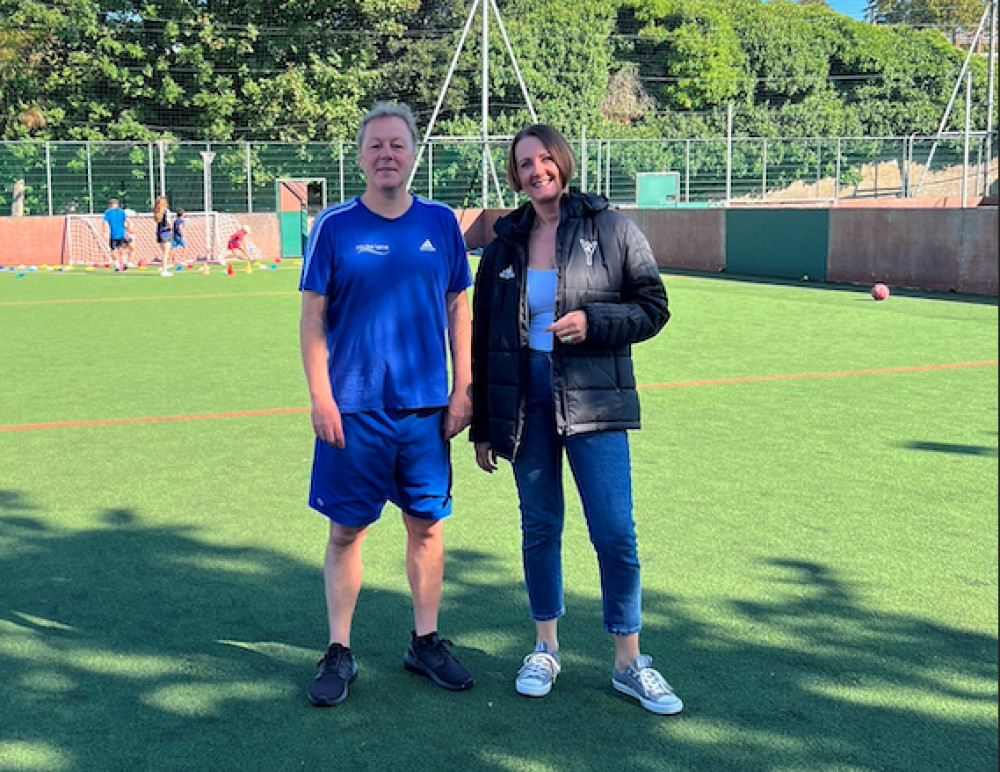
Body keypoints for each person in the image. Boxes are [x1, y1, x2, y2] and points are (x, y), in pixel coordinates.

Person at [470, 124, 681, 715]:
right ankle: (545, 647)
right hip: (522, 400)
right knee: (540, 526)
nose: (536, 171)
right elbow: (483, 335)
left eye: (544, 159)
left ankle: (629, 660)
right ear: (514, 175)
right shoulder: (505, 241)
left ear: (561, 161)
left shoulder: (610, 227)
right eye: (524, 164)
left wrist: (594, 322)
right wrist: (485, 424)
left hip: (594, 397)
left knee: (614, 530)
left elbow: (653, 306)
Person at [298, 102, 475, 707]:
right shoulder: (335, 226)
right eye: (376, 146)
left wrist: (464, 386)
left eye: (397, 145)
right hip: (352, 409)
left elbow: (459, 307)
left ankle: (424, 641)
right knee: (346, 532)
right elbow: (312, 317)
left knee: (426, 526)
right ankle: (340, 649)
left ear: (413, 152)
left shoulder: (442, 223)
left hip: (426, 410)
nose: (387, 155)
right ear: (360, 156)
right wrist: (321, 396)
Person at [102, 199, 128, 272]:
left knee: (113, 251)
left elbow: (104, 222)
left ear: (110, 205)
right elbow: (127, 221)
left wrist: (104, 232)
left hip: (113, 234)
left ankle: (117, 266)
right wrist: (127, 231)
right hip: (121, 233)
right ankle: (124, 263)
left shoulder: (108, 212)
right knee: (121, 249)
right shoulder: (122, 212)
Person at [153, 195, 172, 276]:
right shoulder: (166, 211)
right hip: (166, 233)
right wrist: (171, 228)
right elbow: (168, 221)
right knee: (166, 253)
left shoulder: (157, 212)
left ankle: (163, 267)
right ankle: (164, 271)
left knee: (164, 252)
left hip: (159, 233)